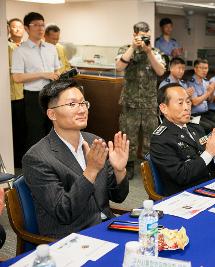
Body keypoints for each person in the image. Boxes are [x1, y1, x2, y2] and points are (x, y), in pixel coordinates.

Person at [22, 79, 129, 239]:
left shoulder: (94, 141)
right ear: (52, 114)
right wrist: (91, 170)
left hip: (107, 227)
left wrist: (119, 170)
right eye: (72, 104)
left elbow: (118, 197)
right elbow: (64, 212)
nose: (82, 110)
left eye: (83, 103)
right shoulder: (37, 158)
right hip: (72, 238)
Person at [150, 83, 215, 196]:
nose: (186, 107)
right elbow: (182, 176)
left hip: (209, 187)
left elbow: (211, 167)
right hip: (185, 196)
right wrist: (209, 152)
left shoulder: (196, 128)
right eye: (180, 103)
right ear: (164, 108)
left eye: (188, 102)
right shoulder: (160, 139)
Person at [115, 21, 166, 178]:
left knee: (151, 138)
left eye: (146, 36)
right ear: (134, 35)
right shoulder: (125, 49)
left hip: (150, 103)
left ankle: (150, 165)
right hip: (130, 103)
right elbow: (119, 67)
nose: (143, 39)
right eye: (140, 36)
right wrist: (133, 47)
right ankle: (128, 165)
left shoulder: (156, 51)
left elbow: (160, 71)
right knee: (128, 137)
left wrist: (148, 51)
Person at [11, 12, 60, 150]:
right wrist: (43, 75)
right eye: (36, 25)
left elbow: (57, 71)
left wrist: (57, 76)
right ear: (27, 28)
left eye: (42, 25)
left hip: (52, 94)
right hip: (33, 97)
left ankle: (54, 163)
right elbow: (17, 77)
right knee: (35, 132)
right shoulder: (20, 51)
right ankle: (36, 165)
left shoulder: (51, 48)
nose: (40, 28)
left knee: (53, 128)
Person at [8, 18, 25, 167]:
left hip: (27, 93)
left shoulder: (26, 46)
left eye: (20, 27)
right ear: (9, 29)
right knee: (15, 128)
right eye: (14, 27)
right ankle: (16, 160)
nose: (18, 29)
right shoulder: (7, 46)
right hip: (13, 95)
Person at [187, 59, 215, 133]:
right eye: (201, 68)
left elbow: (210, 100)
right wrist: (209, 92)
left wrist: (212, 91)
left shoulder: (206, 82)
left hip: (206, 112)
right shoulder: (190, 83)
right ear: (195, 69)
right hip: (195, 114)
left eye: (206, 68)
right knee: (210, 126)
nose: (204, 70)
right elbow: (195, 102)